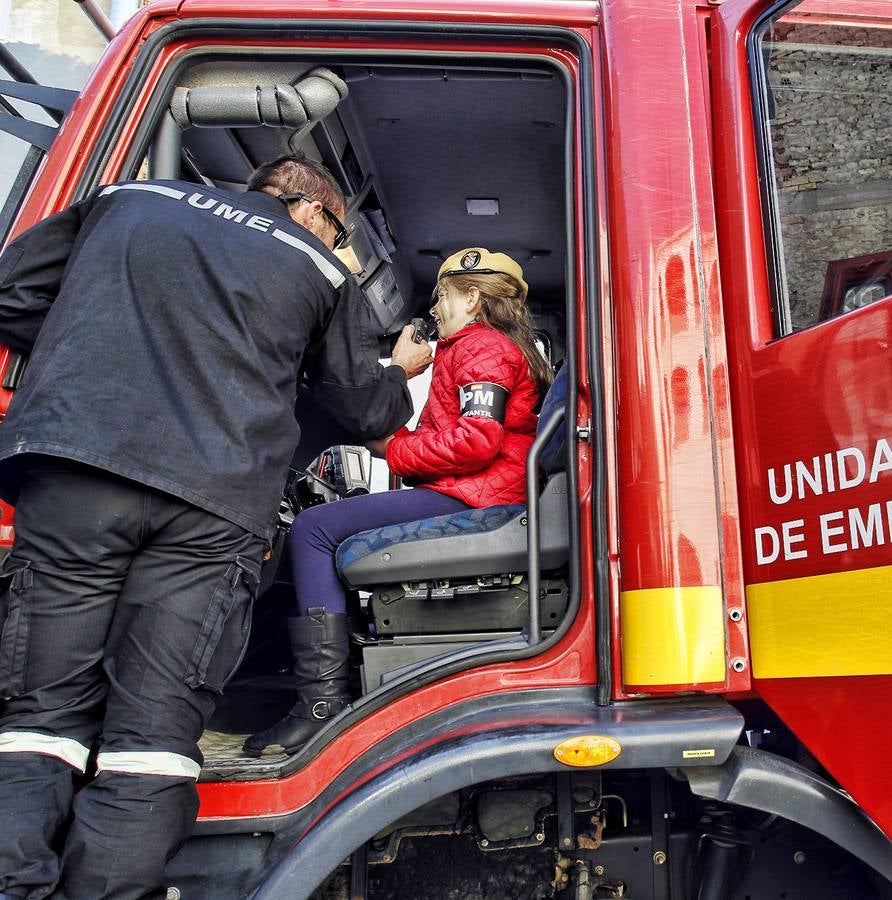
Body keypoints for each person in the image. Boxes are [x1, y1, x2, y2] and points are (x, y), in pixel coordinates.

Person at [0, 156, 433, 899]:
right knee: (150, 739)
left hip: (72, 471)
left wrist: (114, 341)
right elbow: (370, 413)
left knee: (36, 717)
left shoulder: (122, 200)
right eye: (341, 237)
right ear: (315, 214)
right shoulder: (317, 269)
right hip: (209, 504)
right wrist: (399, 367)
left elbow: (12, 292)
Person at [244, 247, 552, 758]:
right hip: (476, 493)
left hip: (474, 500)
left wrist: (396, 448)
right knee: (323, 525)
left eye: (442, 298)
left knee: (313, 529)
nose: (434, 309)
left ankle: (319, 707)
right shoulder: (477, 349)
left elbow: (478, 441)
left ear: (472, 297)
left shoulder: (485, 350)